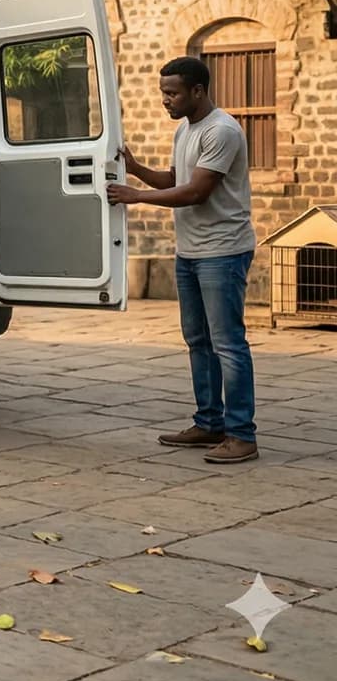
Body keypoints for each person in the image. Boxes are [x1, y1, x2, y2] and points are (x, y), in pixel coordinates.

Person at [106, 56, 258, 464]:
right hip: (190, 251)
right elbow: (176, 180)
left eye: (172, 93)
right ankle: (209, 423)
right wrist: (136, 170)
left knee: (228, 344)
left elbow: (196, 192)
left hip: (223, 251)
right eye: (163, 92)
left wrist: (137, 197)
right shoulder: (186, 129)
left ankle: (242, 435)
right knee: (198, 341)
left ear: (198, 91)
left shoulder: (222, 130)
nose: (165, 100)